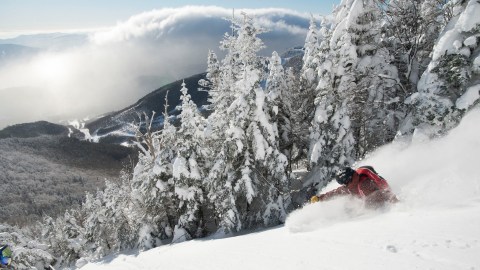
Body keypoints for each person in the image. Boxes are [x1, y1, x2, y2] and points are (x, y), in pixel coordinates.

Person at [310, 166, 398, 208]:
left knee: (366, 195)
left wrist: (391, 196)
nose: (344, 185)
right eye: (343, 184)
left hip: (381, 201)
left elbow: (381, 184)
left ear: (348, 179)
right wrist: (319, 198)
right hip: (370, 205)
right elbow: (335, 192)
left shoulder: (365, 182)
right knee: (349, 202)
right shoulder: (349, 187)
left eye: (344, 183)